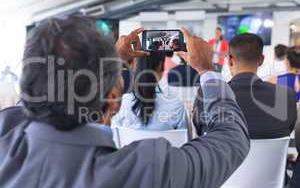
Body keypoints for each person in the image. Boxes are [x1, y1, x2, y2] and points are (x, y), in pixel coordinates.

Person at [0, 16, 249, 188]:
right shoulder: (147, 171)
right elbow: (231, 137)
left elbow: (30, 107)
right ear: (113, 99)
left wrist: (110, 65)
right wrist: (206, 69)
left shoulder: (5, 134)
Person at [227, 33, 297, 139]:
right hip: (273, 156)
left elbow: (203, 132)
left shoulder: (210, 95)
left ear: (230, 60)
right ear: (261, 60)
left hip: (229, 155)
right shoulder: (286, 95)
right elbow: (289, 129)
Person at [112, 51, 188, 130]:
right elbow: (184, 138)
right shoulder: (176, 106)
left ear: (136, 67)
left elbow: (115, 133)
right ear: (159, 67)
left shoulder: (122, 103)